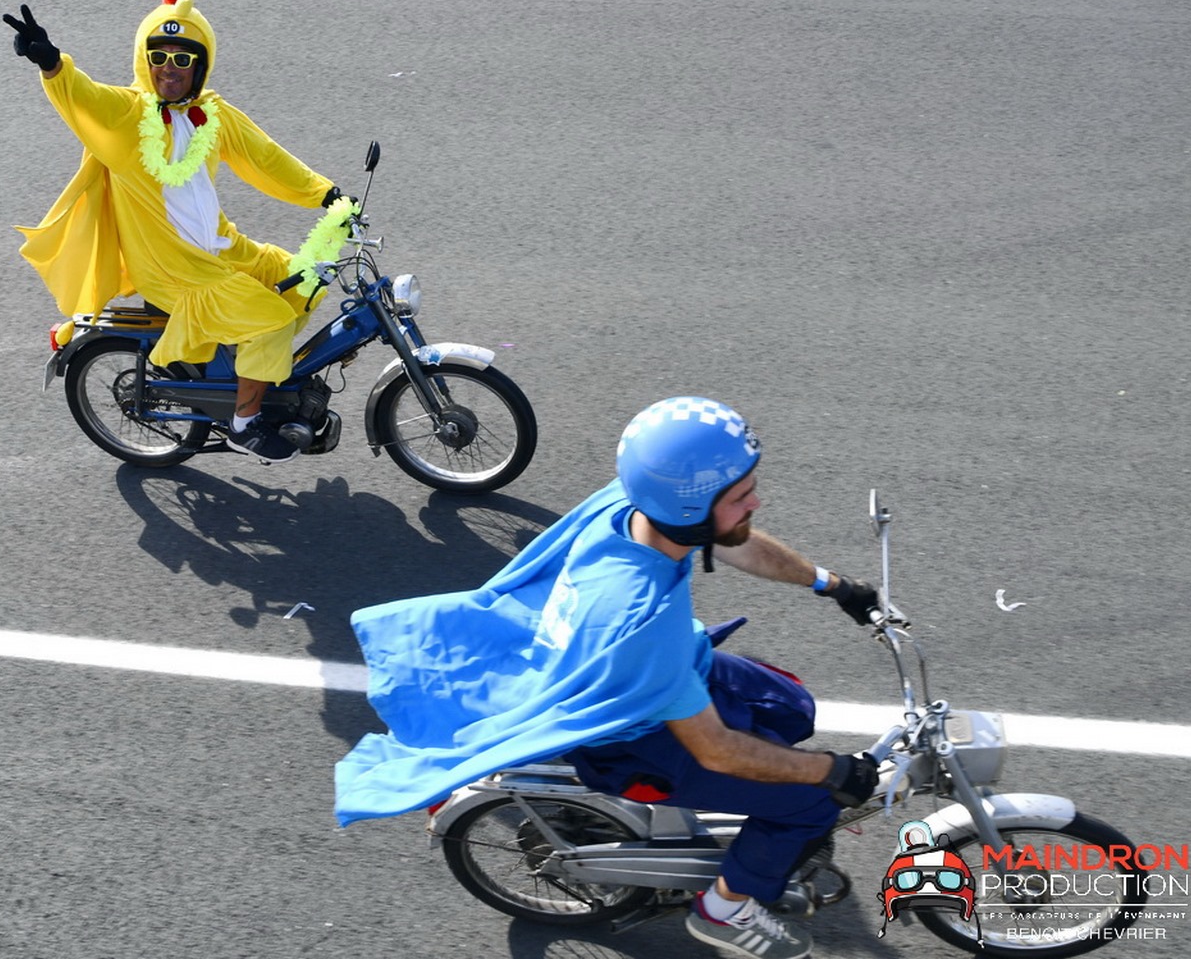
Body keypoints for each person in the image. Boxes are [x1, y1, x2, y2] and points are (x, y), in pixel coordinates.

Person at [334, 396, 884, 959]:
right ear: (691, 508)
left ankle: (734, 827)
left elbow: (731, 539)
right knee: (813, 804)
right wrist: (832, 770)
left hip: (661, 667)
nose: (756, 503)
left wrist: (831, 584)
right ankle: (723, 911)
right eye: (741, 496)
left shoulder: (630, 505)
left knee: (790, 706)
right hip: (639, 733)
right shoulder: (645, 622)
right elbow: (716, 750)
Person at [4, 0, 343, 463]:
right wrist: (52, 64)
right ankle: (244, 425)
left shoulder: (212, 115)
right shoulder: (128, 117)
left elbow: (266, 158)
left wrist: (326, 195)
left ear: (200, 67)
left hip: (223, 249)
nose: (169, 67)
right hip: (173, 268)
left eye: (182, 59)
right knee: (272, 319)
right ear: (145, 61)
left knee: (304, 280)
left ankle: (248, 373)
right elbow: (83, 97)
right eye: (158, 56)